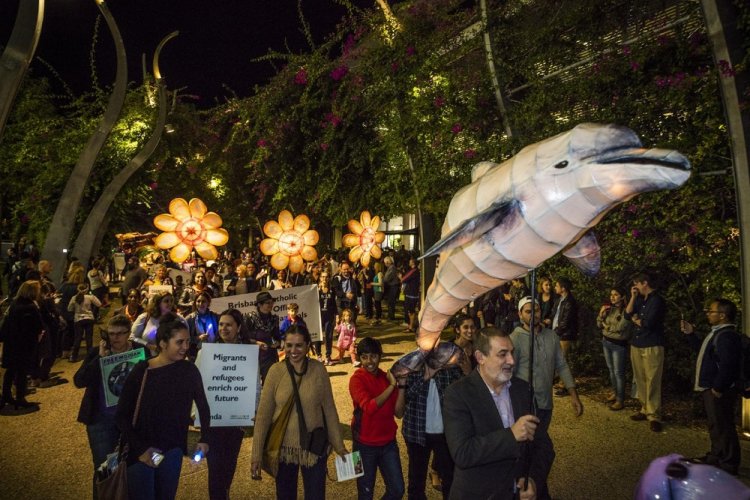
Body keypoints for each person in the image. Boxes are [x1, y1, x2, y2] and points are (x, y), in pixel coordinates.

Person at [443, 327, 546, 500]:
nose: (512, 360)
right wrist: (511, 435)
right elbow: (463, 453)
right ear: (480, 357)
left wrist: (534, 480)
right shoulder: (458, 394)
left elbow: (543, 446)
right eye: (502, 354)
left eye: (512, 353)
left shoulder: (524, 389)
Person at [116, 313, 211, 500]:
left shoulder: (189, 370)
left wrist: (205, 439)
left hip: (172, 451)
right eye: (180, 342)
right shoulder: (143, 371)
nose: (186, 347)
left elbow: (203, 406)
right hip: (142, 452)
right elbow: (121, 416)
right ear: (162, 344)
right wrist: (141, 450)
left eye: (187, 341)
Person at [250, 325, 348, 500]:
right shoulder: (275, 371)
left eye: (299, 345)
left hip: (313, 447)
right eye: (289, 345)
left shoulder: (318, 370)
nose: (293, 351)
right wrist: (256, 454)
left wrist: (339, 446)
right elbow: (263, 416)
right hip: (283, 450)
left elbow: (329, 410)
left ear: (307, 345)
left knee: (316, 495)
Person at [510, 297, 583, 499]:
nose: (533, 314)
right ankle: (534, 489)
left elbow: (561, 365)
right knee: (533, 449)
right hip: (526, 405)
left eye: (536, 310)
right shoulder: (514, 339)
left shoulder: (551, 336)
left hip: (546, 404)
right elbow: (509, 373)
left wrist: (573, 394)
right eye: (527, 311)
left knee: (537, 448)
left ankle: (533, 486)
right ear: (520, 314)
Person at [74, 314, 148, 500]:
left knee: (134, 463)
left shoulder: (141, 351)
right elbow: (79, 380)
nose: (115, 338)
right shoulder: (97, 353)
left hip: (132, 419)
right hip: (102, 420)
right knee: (105, 468)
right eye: (111, 334)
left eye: (120, 334)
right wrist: (99, 359)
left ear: (128, 333)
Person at [681, 298, 742, 475]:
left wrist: (718, 387)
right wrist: (691, 334)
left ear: (722, 315)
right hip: (712, 387)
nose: (708, 313)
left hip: (719, 389)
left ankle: (729, 463)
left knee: (723, 424)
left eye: (712, 311)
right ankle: (717, 456)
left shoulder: (727, 336)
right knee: (716, 423)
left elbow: (728, 365)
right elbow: (704, 351)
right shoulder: (717, 333)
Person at [394, 347, 463, 500]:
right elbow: (405, 399)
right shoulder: (410, 368)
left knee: (450, 479)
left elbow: (462, 391)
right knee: (416, 481)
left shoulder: (449, 370)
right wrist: (424, 377)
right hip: (416, 433)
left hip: (445, 434)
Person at [205, 309, 255, 499]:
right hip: (213, 422)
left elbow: (253, 385)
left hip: (236, 423)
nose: (223, 328)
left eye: (228, 324)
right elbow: (201, 385)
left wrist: (252, 410)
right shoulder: (208, 352)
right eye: (221, 324)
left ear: (238, 327)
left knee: (228, 468)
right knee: (215, 471)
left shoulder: (247, 354)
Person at [349, 337, 405, 500]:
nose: (369, 361)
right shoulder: (356, 379)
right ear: (359, 358)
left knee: (398, 489)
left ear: (380, 356)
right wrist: (391, 386)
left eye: (373, 356)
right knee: (365, 493)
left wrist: (401, 387)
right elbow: (369, 407)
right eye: (364, 357)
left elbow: (399, 413)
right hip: (362, 445)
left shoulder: (385, 377)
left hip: (388, 443)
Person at [625, 272, 667, 432]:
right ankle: (644, 408)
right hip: (637, 343)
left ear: (645, 283)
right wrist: (633, 297)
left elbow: (648, 323)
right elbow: (627, 314)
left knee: (653, 379)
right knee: (640, 378)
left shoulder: (657, 301)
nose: (635, 287)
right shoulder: (640, 300)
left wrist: (637, 320)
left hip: (652, 344)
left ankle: (654, 414)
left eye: (637, 283)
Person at [1, 280, 44, 410]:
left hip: (11, 343)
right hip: (25, 345)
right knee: (22, 372)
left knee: (10, 371)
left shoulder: (13, 304)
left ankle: (6, 395)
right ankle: (20, 397)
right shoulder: (30, 307)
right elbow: (38, 326)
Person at [597, 287, 633, 411]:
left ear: (622, 297)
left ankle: (620, 400)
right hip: (606, 342)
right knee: (611, 370)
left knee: (619, 372)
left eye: (616, 294)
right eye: (611, 294)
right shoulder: (609, 309)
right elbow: (598, 323)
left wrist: (605, 326)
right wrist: (601, 315)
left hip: (619, 345)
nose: (612, 297)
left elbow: (620, 327)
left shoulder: (627, 311)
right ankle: (615, 392)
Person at [244, 291, 281, 382]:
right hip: (252, 357)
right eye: (268, 303)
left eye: (272, 302)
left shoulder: (274, 319)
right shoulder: (249, 318)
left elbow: (277, 336)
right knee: (252, 383)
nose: (271, 305)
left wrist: (277, 342)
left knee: (270, 382)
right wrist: (256, 343)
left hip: (269, 357)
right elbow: (243, 337)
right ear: (259, 304)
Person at [551, 277, 578, 396]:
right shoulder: (560, 299)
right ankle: (562, 382)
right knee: (560, 359)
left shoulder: (570, 302)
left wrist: (556, 331)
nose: (555, 288)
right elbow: (555, 315)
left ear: (563, 288)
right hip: (558, 333)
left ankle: (566, 386)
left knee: (563, 360)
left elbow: (565, 321)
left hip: (565, 335)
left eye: (557, 286)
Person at [68, 283, 102, 363]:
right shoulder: (90, 297)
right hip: (89, 318)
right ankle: (89, 356)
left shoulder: (74, 298)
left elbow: (69, 309)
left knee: (78, 338)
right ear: (87, 289)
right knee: (89, 338)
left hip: (78, 319)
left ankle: (74, 356)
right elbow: (99, 304)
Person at [185, 292, 219, 360]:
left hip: (214, 352)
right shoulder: (190, 319)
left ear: (208, 303)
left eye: (203, 301)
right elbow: (185, 339)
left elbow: (219, 334)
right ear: (195, 303)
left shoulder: (215, 316)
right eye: (198, 301)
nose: (200, 304)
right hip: (195, 354)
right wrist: (198, 338)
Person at [318, 271, 338, 365]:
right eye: (323, 277)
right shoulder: (316, 289)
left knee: (329, 336)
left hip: (329, 316)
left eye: (326, 277)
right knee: (318, 336)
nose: (324, 279)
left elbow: (334, 304)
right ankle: (318, 356)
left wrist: (337, 315)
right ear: (320, 278)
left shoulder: (332, 289)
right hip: (318, 316)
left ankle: (328, 356)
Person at [400, 258, 420, 333]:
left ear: (412, 263)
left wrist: (400, 277)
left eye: (410, 261)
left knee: (411, 311)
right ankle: (410, 325)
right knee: (410, 311)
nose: (408, 262)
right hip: (411, 293)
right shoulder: (415, 271)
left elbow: (403, 279)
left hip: (411, 294)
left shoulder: (413, 271)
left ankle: (411, 327)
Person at [383, 256, 400, 322]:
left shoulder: (392, 268)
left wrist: (383, 279)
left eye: (385, 262)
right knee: (390, 302)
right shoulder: (391, 268)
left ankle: (391, 316)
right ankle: (390, 315)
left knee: (391, 302)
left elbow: (387, 278)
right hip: (392, 287)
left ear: (387, 262)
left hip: (393, 287)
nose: (385, 264)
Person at [371, 261, 384, 326]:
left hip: (378, 291)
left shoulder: (379, 273)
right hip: (376, 290)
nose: (374, 267)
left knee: (377, 304)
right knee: (377, 304)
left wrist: (372, 283)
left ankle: (378, 317)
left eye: (375, 266)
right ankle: (378, 317)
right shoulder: (377, 273)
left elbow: (380, 283)